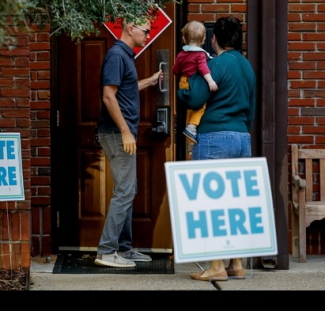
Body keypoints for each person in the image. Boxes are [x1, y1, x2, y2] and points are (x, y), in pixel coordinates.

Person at [177, 16, 256, 281]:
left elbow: (196, 97)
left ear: (214, 39)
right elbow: (252, 108)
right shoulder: (247, 67)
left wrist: (182, 89)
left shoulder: (217, 64)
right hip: (242, 136)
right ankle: (236, 264)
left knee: (211, 204)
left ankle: (216, 267)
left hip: (214, 138)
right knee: (235, 204)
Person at [94, 18, 163, 268]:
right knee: (124, 191)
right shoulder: (116, 55)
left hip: (120, 133)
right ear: (131, 28)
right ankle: (106, 250)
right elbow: (108, 95)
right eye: (145, 30)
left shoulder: (125, 55)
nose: (147, 35)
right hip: (116, 133)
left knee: (128, 190)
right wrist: (125, 131)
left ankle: (123, 248)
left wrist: (150, 81)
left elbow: (125, 89)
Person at [173, 20, 218, 144]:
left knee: (190, 107)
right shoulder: (200, 55)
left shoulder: (181, 54)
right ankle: (192, 127)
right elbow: (203, 68)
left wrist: (179, 78)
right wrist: (210, 81)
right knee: (200, 105)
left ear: (183, 38)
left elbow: (176, 69)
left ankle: (189, 127)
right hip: (194, 83)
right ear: (203, 39)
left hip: (183, 81)